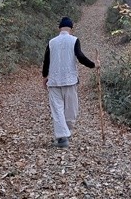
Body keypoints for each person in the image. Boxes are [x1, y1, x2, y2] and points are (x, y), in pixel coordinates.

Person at [42, 17, 98, 149]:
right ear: (71, 28)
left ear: (59, 28)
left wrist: (45, 76)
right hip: (70, 80)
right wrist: (93, 65)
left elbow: (46, 60)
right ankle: (66, 133)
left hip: (54, 81)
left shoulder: (52, 42)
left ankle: (63, 136)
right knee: (71, 109)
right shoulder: (74, 40)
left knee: (57, 109)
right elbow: (81, 57)